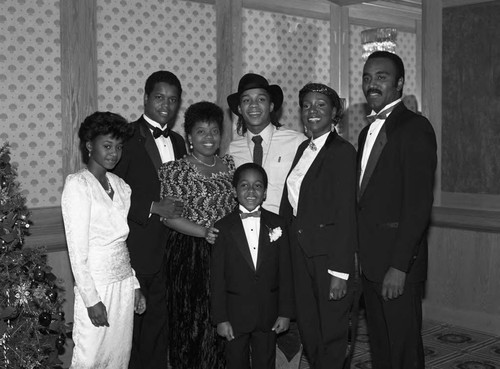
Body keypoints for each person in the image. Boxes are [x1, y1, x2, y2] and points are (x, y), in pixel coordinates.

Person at [357, 51, 437, 369]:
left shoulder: (415, 127)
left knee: (403, 352)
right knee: (382, 349)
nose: (371, 83)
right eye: (367, 77)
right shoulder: (365, 133)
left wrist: (400, 267)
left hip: (397, 266)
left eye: (381, 76)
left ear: (400, 82)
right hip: (370, 264)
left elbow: (418, 204)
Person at [280, 83, 358, 369]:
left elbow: (347, 214)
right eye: (307, 105)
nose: (312, 111)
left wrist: (340, 272)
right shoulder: (304, 147)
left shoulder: (343, 152)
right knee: (310, 329)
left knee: (333, 333)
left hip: (328, 257)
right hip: (300, 254)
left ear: (335, 112)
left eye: (321, 105)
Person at [112, 71, 187, 369]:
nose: (166, 105)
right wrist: (153, 207)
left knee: (160, 327)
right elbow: (111, 192)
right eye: (159, 97)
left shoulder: (180, 142)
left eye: (172, 99)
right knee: (132, 331)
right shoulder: (125, 137)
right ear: (145, 98)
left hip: (173, 250)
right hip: (137, 250)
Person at [61, 112, 146, 368]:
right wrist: (91, 299)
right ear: (89, 145)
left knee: (119, 357)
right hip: (96, 286)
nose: (114, 153)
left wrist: (134, 284)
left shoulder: (121, 186)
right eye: (107, 146)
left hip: (122, 286)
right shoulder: (78, 185)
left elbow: (122, 242)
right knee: (90, 357)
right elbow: (77, 251)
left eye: (118, 147)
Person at [158, 101, 236, 369]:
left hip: (226, 252)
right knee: (193, 323)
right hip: (190, 255)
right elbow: (169, 218)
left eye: (214, 131)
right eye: (201, 131)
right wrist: (205, 232)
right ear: (189, 136)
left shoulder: (230, 166)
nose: (209, 137)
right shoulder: (175, 170)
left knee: (225, 319)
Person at [210, 163, 294, 369]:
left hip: (269, 314)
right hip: (234, 315)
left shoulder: (278, 224)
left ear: (265, 192)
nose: (250, 191)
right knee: (235, 362)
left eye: (257, 186)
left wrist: (285, 312)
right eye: (244, 185)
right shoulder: (222, 227)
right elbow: (217, 278)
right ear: (234, 191)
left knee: (265, 362)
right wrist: (220, 318)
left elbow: (286, 272)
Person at [227, 73, 307, 214]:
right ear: (239, 109)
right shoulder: (232, 149)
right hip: (245, 230)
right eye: (246, 100)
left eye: (261, 99)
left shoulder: (297, 142)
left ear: (271, 106)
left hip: (286, 229)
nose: (253, 105)